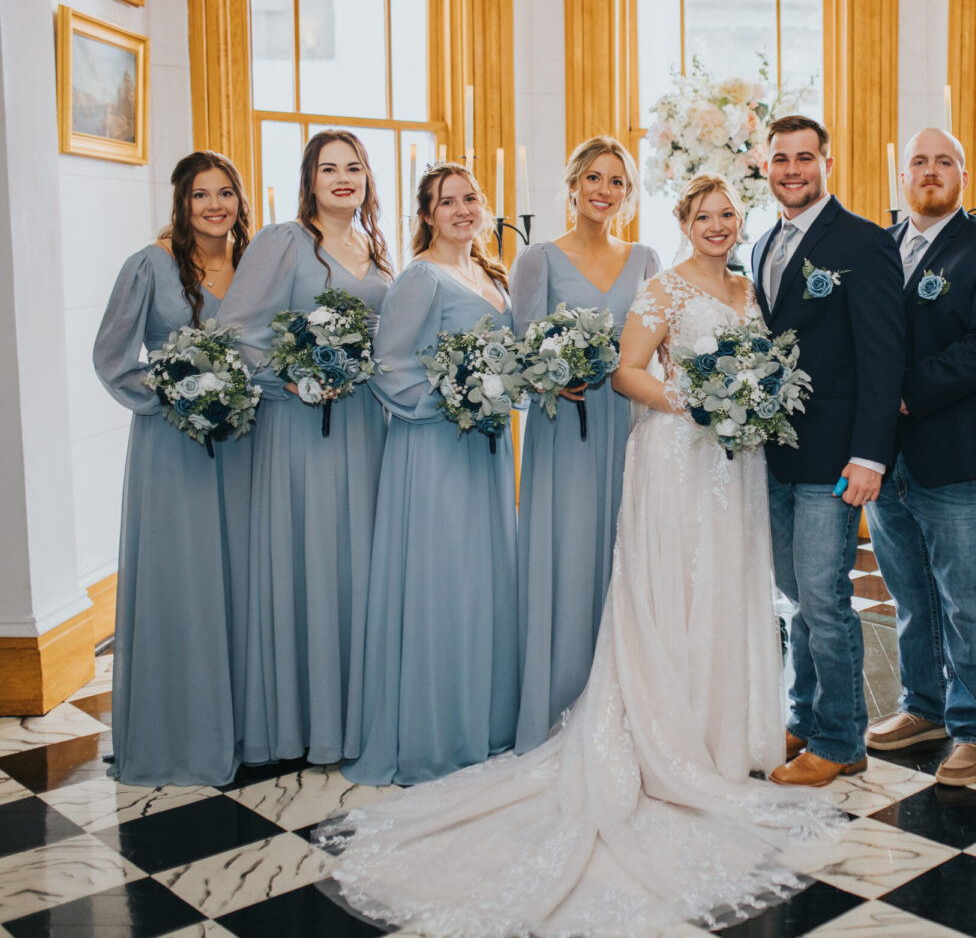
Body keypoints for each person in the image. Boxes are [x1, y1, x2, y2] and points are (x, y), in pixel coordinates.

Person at [319, 173, 840, 937]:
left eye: (730, 213)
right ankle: (668, 732)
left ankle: (728, 731)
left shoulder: (750, 291)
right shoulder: (657, 286)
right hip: (676, 452)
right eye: (706, 214)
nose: (720, 225)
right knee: (668, 587)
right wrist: (693, 400)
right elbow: (630, 370)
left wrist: (747, 399)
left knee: (727, 588)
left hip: (737, 464)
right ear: (685, 220)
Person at [863, 128, 976, 787]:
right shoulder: (879, 250)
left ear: (963, 174)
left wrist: (898, 395)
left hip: (964, 456)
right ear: (901, 177)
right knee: (911, 596)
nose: (930, 171)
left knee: (968, 597)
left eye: (944, 161)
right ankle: (925, 707)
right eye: (919, 162)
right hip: (889, 459)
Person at [218, 130, 392, 767]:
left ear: (368, 178)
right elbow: (238, 331)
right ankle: (303, 721)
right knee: (311, 559)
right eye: (328, 168)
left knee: (359, 563)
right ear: (309, 180)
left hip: (366, 427)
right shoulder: (282, 242)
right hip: (300, 427)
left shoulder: (376, 249)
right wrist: (291, 376)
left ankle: (354, 713)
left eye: (353, 167)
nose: (342, 178)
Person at [341, 162, 519, 786]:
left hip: (488, 449)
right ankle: (436, 728)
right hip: (436, 448)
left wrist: (503, 393)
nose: (463, 210)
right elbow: (388, 364)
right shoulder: (419, 277)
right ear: (426, 214)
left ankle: (485, 718)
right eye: (448, 201)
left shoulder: (493, 273)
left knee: (484, 577)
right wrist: (454, 402)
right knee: (444, 579)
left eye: (471, 198)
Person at [750, 115, 905, 787]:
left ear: (827, 163)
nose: (792, 169)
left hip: (836, 459)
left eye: (804, 157)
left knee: (823, 596)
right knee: (796, 594)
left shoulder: (864, 242)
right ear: (765, 166)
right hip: (775, 457)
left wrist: (870, 455)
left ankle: (841, 740)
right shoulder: (761, 246)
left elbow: (884, 354)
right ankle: (806, 717)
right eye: (781, 158)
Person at [92, 150, 254, 786]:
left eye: (225, 194)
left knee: (240, 576)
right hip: (173, 446)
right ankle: (177, 731)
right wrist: (176, 392)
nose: (215, 206)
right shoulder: (150, 266)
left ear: (240, 201)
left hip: (243, 445)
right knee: (181, 576)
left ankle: (244, 723)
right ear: (181, 204)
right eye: (200, 196)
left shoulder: (255, 268)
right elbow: (113, 357)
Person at [509, 137, 661, 753]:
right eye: (594, 178)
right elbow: (519, 351)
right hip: (564, 429)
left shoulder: (646, 258)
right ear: (572, 185)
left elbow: (661, 344)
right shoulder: (537, 260)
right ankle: (558, 702)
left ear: (628, 194)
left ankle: (625, 705)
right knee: (568, 555)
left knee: (628, 554)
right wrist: (549, 371)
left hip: (629, 425)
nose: (604, 190)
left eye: (617, 181)